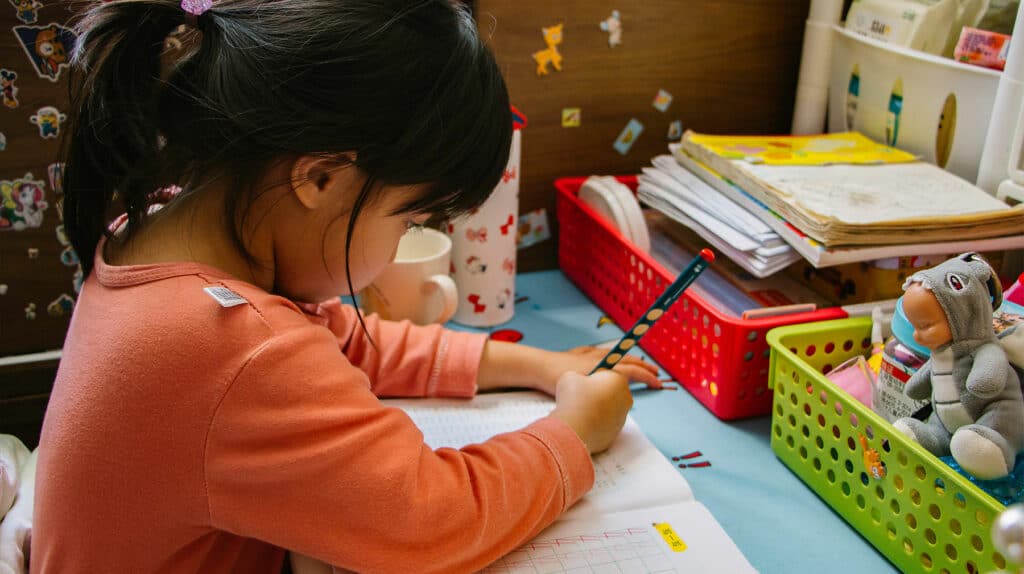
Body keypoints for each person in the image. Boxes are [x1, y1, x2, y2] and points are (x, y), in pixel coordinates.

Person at [32, 1, 660, 572]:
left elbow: (338, 341)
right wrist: (572, 436)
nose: (398, 249)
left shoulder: (157, 230)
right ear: (321, 177)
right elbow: (430, 521)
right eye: (409, 219)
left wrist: (537, 365)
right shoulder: (234, 347)